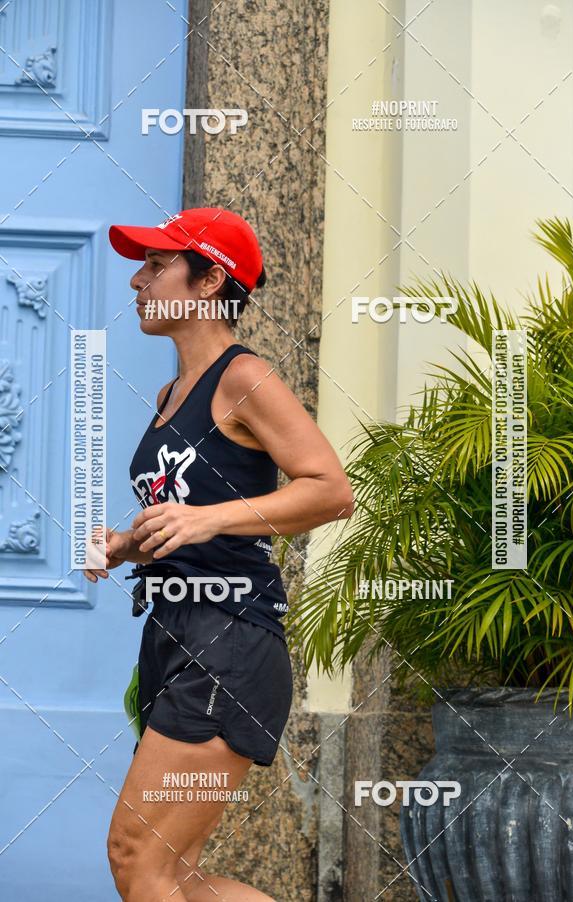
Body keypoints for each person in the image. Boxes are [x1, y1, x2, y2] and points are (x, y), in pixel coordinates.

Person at [83, 207, 354, 901]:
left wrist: (204, 521)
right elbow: (193, 510)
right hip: (178, 638)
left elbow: (330, 490)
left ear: (207, 281)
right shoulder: (173, 394)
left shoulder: (244, 378)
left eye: (155, 265)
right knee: (175, 874)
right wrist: (128, 543)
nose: (137, 281)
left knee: (134, 856)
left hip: (229, 640)